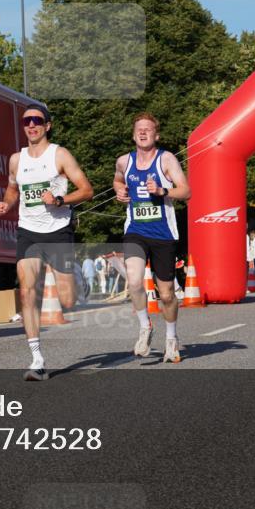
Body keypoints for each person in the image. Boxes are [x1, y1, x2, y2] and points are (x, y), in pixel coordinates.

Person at [0, 104, 93, 381]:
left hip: (58, 229)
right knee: (27, 292)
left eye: (37, 120)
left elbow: (87, 190)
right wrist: (6, 204)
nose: (31, 125)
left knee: (68, 299)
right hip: (29, 231)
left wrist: (61, 200)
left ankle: (76, 278)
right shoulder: (17, 159)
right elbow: (13, 189)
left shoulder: (59, 155)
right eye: (27, 121)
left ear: (47, 125)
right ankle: (37, 359)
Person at [114, 112, 191, 363]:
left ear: (156, 135)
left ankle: (171, 338)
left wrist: (162, 190)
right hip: (135, 230)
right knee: (135, 281)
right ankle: (145, 326)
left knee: (167, 294)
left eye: (148, 129)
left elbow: (186, 190)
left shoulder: (166, 159)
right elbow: (117, 180)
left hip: (163, 233)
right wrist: (120, 191)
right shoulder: (124, 161)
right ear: (133, 134)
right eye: (139, 129)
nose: (143, 133)